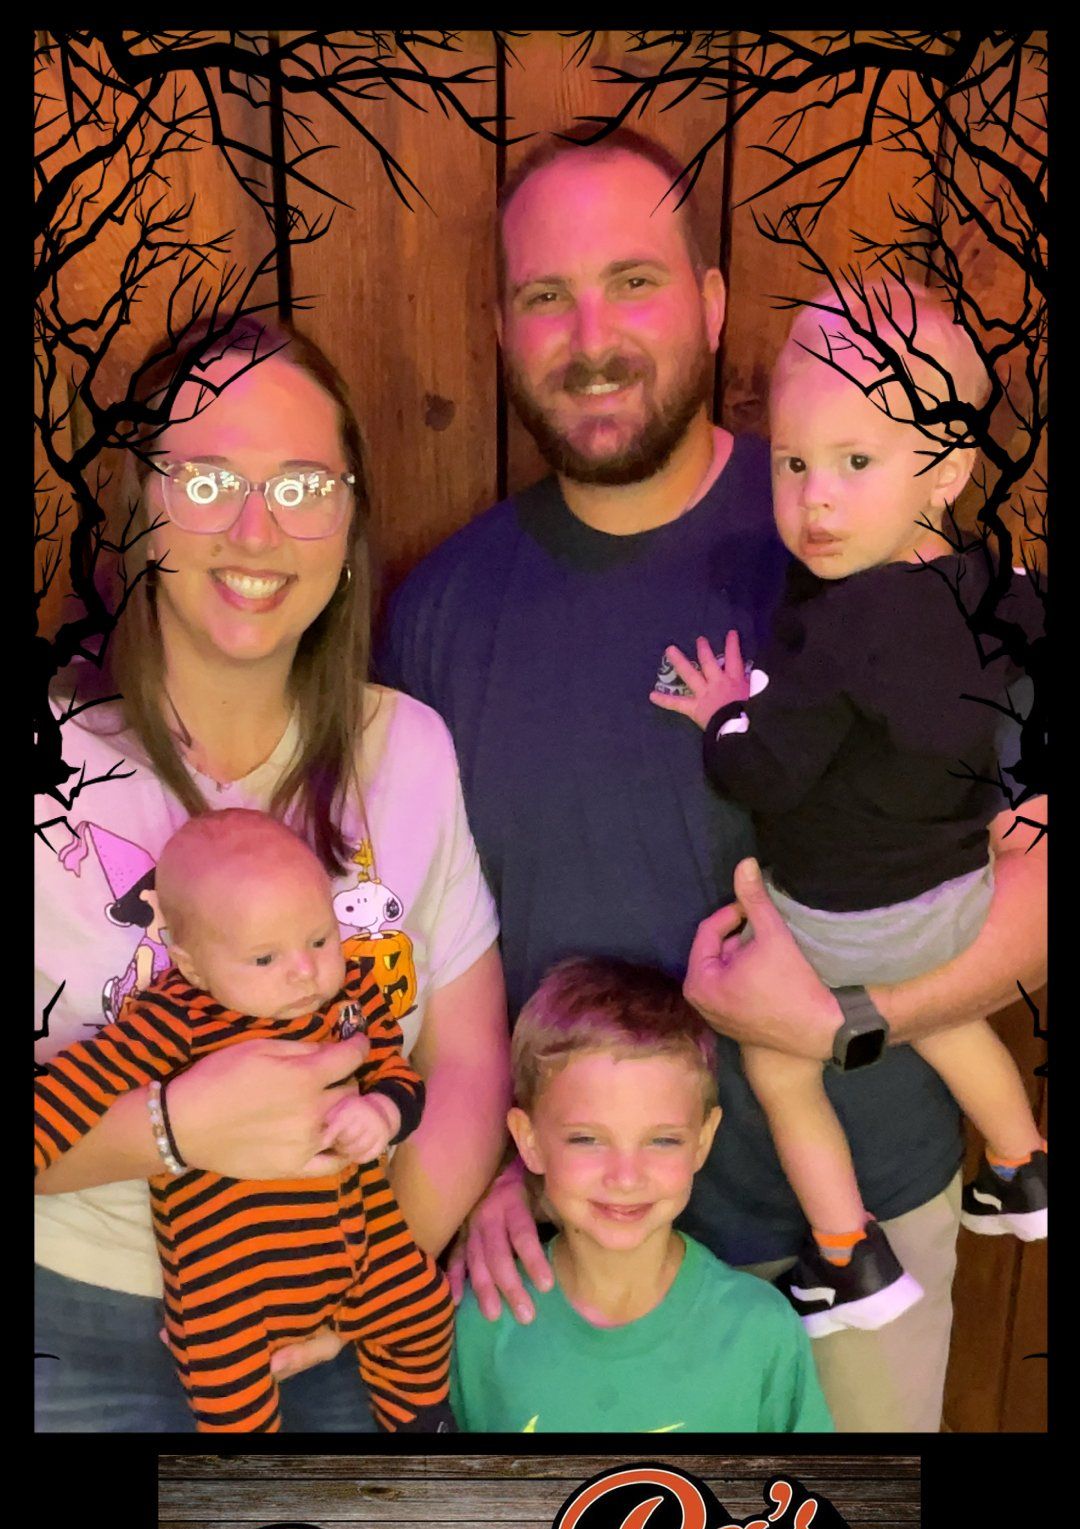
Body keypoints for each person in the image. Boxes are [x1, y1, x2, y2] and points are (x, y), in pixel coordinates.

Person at [377, 130, 1047, 1432]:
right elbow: (421, 956)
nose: (592, 337)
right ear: (501, 329)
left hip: (858, 1233)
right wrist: (495, 1164)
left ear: (713, 300)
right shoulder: (439, 617)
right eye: (545, 295)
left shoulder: (863, 534)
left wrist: (856, 1019)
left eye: (634, 281)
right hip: (576, 1257)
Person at [35, 311, 508, 1432]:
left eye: (302, 486)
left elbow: (468, 1061)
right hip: (77, 1330)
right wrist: (172, 1128)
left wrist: (367, 1291)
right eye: (206, 482)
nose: (256, 529)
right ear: (139, 509)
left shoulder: (409, 751)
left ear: (348, 521)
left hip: (351, 1318)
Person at [650, 282, 1046, 1337]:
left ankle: (845, 1256)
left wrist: (722, 715)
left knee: (780, 1063)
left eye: (856, 463)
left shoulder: (833, 633)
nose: (816, 500)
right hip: (959, 899)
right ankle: (1021, 1163)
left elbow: (764, 774)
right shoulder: (1000, 587)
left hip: (847, 924)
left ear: (948, 469)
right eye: (793, 465)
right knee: (948, 1013)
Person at [36, 811, 455, 1433]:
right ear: (193, 965)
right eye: (264, 958)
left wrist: (383, 1110)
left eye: (320, 940)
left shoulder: (352, 997)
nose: (304, 971)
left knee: (423, 1308)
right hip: (232, 1276)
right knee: (227, 1389)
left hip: (366, 1243)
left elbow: (398, 1072)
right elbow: (79, 1085)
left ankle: (421, 1425)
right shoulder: (174, 1018)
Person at [450, 958, 832, 1432]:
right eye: (587, 1139)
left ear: (703, 1140)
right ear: (528, 1141)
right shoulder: (483, 1324)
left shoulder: (759, 1331)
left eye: (662, 1140)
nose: (626, 1178)